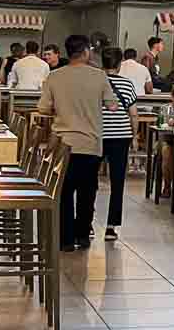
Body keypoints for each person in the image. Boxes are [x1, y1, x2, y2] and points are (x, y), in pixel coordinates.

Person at [44, 34, 117, 252]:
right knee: (87, 192)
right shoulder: (99, 76)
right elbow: (112, 105)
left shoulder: (54, 76)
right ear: (86, 52)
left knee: (64, 192)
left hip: (63, 144)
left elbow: (43, 108)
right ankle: (83, 236)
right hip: (90, 144)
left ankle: (65, 240)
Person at [99, 45, 138, 242]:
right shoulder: (127, 84)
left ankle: (87, 223)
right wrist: (135, 136)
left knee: (89, 182)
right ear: (119, 64)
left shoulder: (96, 82)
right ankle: (111, 227)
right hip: (121, 136)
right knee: (117, 182)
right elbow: (133, 114)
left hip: (97, 135)